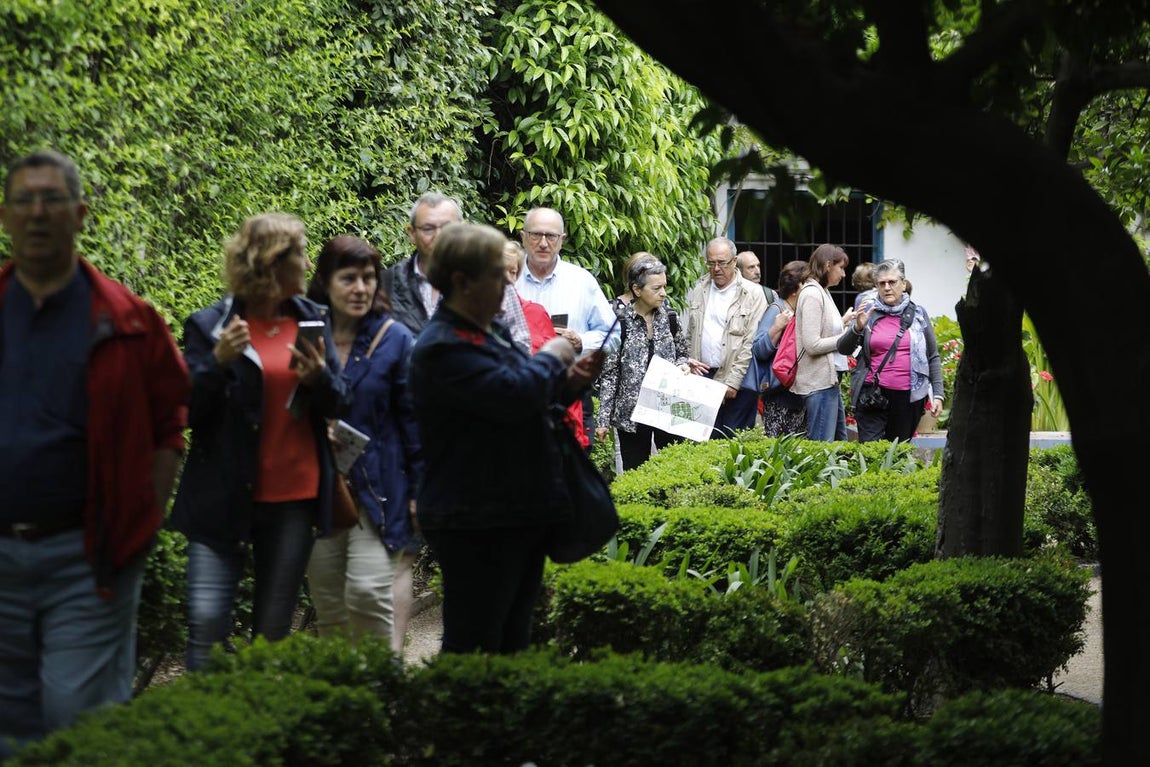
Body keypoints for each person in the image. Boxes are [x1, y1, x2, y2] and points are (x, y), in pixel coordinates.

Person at [0, 149, 190, 755]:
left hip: (88, 561)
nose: (37, 214)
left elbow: (170, 426)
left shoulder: (129, 321)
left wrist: (144, 519)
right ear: (4, 216)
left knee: (80, 725)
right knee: (9, 730)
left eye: (51, 199)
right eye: (24, 200)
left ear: (80, 214)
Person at [410, 222, 605, 654]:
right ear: (462, 281)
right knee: (475, 642)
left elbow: (521, 403)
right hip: (475, 515)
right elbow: (513, 396)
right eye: (497, 275)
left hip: (512, 508)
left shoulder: (487, 332)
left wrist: (569, 383)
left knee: (513, 638)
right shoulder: (443, 345)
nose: (508, 285)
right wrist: (554, 355)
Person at [170, 212, 351, 672]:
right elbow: (187, 408)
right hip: (222, 493)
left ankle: (256, 732)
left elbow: (341, 401)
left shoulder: (314, 320)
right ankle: (202, 729)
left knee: (271, 632)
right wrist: (215, 361)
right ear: (272, 263)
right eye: (300, 255)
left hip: (293, 498)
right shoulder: (210, 325)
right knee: (207, 621)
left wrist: (321, 379)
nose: (309, 265)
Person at [303, 236, 423, 651]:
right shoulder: (307, 335)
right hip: (318, 488)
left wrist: (417, 493)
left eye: (368, 278)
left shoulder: (395, 339)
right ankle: (345, 702)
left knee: (368, 593)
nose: (360, 288)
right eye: (348, 278)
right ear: (325, 281)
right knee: (330, 605)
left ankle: (382, 693)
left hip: (380, 488)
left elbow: (413, 421)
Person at [514, 207, 618, 450]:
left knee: (571, 476)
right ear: (522, 236)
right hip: (519, 394)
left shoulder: (581, 282)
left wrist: (580, 341)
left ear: (562, 240)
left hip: (571, 394)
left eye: (551, 236)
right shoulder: (508, 280)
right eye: (535, 235)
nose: (542, 243)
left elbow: (612, 336)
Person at [385, 193, 530, 352]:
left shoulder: (491, 281)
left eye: (448, 228)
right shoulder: (388, 282)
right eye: (428, 229)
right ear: (412, 233)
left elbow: (520, 341)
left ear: (463, 229)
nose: (439, 236)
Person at [595, 258, 690, 470]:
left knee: (673, 471)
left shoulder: (671, 318)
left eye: (664, 286)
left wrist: (683, 365)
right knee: (635, 472)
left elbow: (683, 354)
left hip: (667, 410)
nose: (663, 293)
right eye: (656, 288)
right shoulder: (620, 322)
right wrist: (603, 420)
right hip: (631, 415)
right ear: (637, 290)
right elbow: (609, 374)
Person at [838, 259, 944, 442]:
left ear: (903, 284)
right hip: (872, 395)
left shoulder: (918, 314)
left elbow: (932, 356)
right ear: (876, 286)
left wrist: (938, 395)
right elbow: (843, 348)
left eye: (892, 282)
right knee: (871, 455)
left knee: (898, 455)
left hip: (908, 399)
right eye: (882, 283)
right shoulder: (869, 313)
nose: (887, 287)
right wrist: (857, 327)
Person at [503, 240, 587, 449]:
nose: (507, 279)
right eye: (499, 271)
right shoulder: (465, 318)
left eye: (513, 272)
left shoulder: (535, 313)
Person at [684, 237, 768, 438]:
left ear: (734, 261)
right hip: (702, 377)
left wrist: (733, 381)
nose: (716, 268)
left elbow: (751, 342)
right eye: (711, 263)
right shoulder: (699, 289)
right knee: (702, 441)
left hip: (736, 381)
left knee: (732, 443)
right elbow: (690, 333)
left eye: (721, 262)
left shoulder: (753, 293)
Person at [792, 243, 857, 442]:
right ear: (828, 265)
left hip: (829, 381)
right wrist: (846, 338)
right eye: (841, 267)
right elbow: (812, 344)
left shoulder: (823, 291)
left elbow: (825, 328)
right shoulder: (812, 293)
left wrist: (846, 323)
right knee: (822, 448)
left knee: (839, 445)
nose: (844, 274)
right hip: (817, 383)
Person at [752, 260, 809, 437]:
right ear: (797, 288)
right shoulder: (777, 310)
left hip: (793, 393)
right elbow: (759, 350)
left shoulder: (798, 311)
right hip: (778, 395)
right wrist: (776, 327)